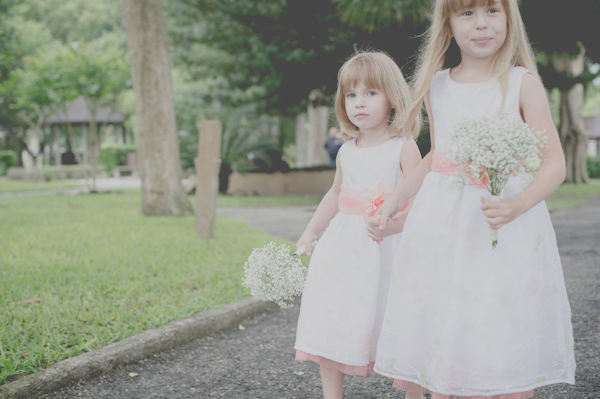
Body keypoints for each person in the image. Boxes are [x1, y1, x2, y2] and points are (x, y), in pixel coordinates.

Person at [373, 1, 576, 398]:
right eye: (467, 13)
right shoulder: (437, 85)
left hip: (505, 224)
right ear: (447, 23)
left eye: (492, 11)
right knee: (446, 317)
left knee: (501, 319)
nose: (481, 24)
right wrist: (396, 196)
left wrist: (517, 206)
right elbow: (439, 155)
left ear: (509, 19)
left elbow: (554, 164)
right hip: (444, 228)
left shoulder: (522, 84)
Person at [294, 50, 422, 399]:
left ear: (392, 98)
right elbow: (336, 193)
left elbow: (424, 201)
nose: (359, 103)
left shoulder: (403, 146)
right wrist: (311, 231)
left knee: (400, 317)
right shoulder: (346, 150)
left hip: (389, 248)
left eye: (370, 93)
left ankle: (414, 393)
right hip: (345, 248)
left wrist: (394, 228)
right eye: (351, 95)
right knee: (334, 314)